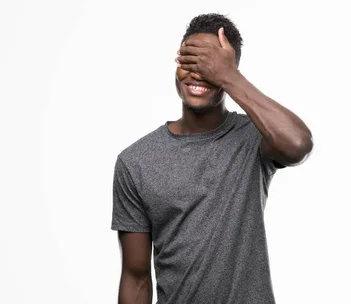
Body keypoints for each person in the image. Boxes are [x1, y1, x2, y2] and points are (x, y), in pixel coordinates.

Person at [111, 13, 313, 304]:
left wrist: (229, 76)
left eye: (210, 65)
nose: (197, 73)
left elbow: (298, 144)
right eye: (189, 62)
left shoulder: (254, 137)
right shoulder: (136, 161)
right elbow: (136, 278)